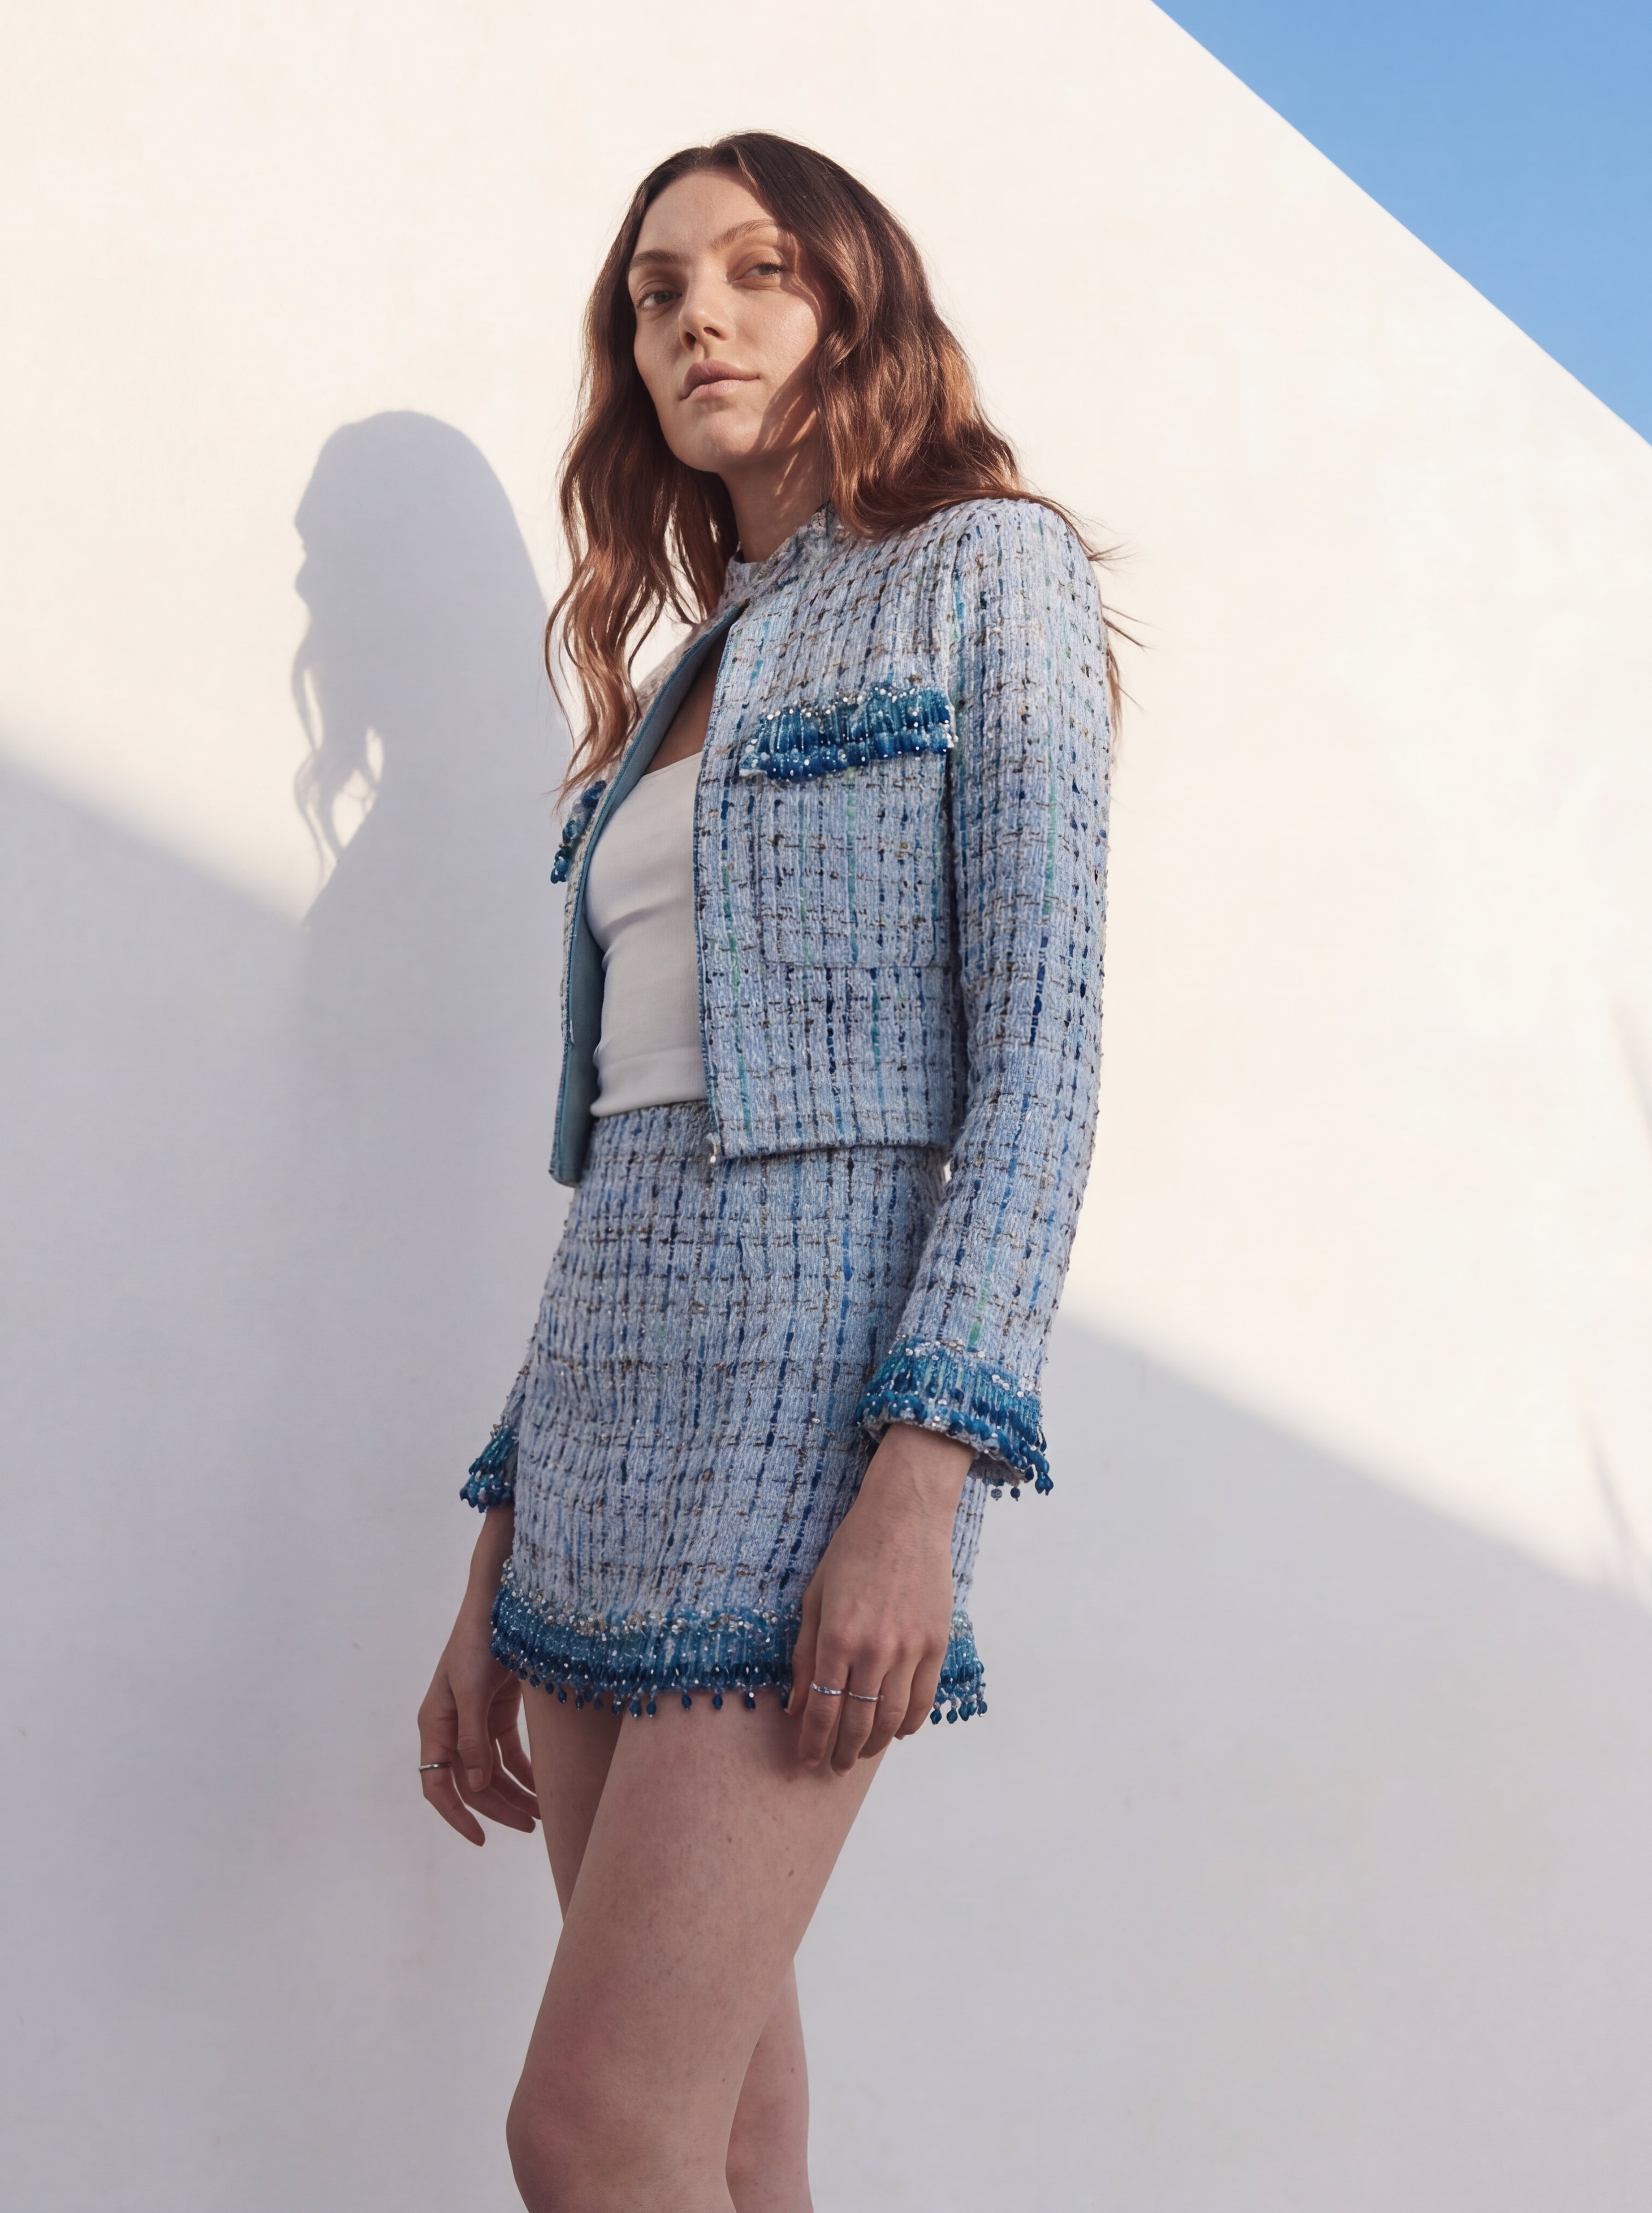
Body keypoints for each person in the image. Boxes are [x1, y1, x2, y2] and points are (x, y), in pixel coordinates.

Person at [417, 130, 1115, 2213]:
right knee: (724, 2130)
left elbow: (1041, 1065)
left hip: (817, 1431)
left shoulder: (989, 572)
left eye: (752, 271)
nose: (695, 316)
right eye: (652, 292)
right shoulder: (677, 674)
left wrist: (925, 1479)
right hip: (608, 1435)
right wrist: (492, 1553)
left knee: (588, 2128)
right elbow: (625, 1153)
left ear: (849, 306)